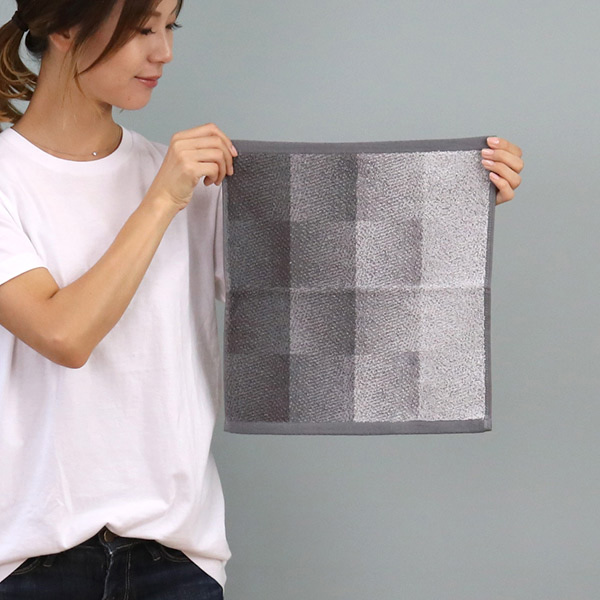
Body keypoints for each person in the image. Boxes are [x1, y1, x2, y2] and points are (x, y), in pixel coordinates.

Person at [0, 0, 524, 597]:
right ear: (65, 29)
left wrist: (457, 198)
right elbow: (64, 335)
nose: (163, 52)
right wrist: (162, 198)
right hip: (31, 561)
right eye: (142, 29)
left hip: (176, 561)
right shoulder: (46, 181)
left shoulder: (187, 181)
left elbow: (341, 300)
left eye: (170, 27)